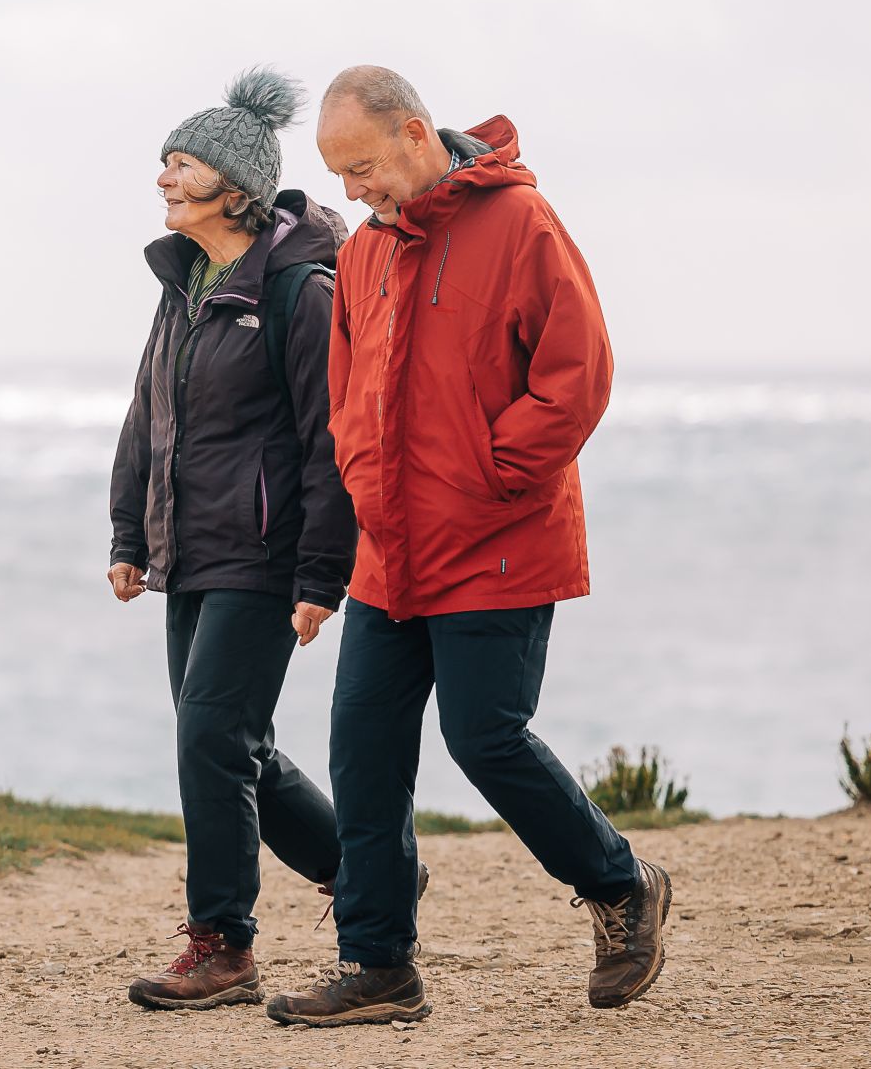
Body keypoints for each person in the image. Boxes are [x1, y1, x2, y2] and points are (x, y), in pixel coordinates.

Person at [265, 67, 669, 1029]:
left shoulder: (523, 226)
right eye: (337, 174)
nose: (352, 191)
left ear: (414, 134)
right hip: (390, 552)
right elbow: (348, 396)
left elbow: (579, 376)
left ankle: (620, 886)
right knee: (361, 748)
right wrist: (365, 484)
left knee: (483, 736)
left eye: (361, 167)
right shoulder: (362, 256)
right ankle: (377, 967)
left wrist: (489, 475)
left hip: (499, 539)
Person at [107, 69, 363, 1011]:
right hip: (190, 553)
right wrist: (130, 532)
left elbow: (330, 440)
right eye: (166, 162)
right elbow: (147, 416)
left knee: (211, 732)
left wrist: (320, 575)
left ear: (236, 185)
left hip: (265, 556)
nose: (166, 179)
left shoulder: (301, 291)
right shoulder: (184, 285)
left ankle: (224, 944)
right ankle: (369, 877)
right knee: (230, 741)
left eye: (183, 164)